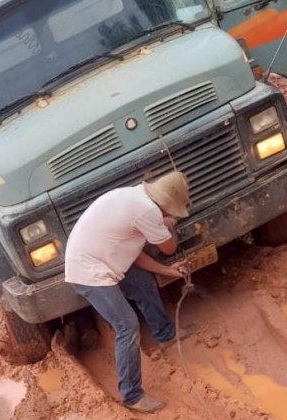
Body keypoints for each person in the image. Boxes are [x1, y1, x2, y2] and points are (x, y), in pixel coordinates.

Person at [64, 171, 192, 413]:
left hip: (99, 261)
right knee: (127, 326)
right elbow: (168, 247)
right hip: (90, 273)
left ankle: (165, 333)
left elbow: (133, 255)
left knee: (143, 283)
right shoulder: (148, 211)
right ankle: (132, 394)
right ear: (167, 206)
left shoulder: (134, 197)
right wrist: (169, 226)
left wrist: (167, 271)